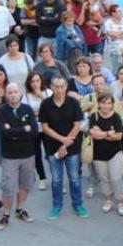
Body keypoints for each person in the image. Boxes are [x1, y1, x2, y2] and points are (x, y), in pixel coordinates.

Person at [39, 76, 89, 220]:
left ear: (66, 86)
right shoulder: (46, 104)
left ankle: (78, 204)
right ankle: (57, 205)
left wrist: (67, 142)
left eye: (62, 86)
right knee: (56, 179)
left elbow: (77, 124)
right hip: (52, 148)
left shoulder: (73, 103)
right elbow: (44, 126)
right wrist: (62, 140)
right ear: (52, 87)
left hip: (72, 147)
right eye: (56, 86)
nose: (59, 89)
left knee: (74, 178)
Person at [0, 83, 39, 231]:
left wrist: (14, 130)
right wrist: (23, 129)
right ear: (6, 95)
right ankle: (6, 215)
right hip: (10, 157)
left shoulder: (27, 110)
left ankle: (20, 210)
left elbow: (33, 132)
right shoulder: (1, 111)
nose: (13, 94)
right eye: (10, 92)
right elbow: (4, 133)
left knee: (25, 184)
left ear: (20, 93)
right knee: (8, 187)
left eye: (15, 92)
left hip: (28, 154)